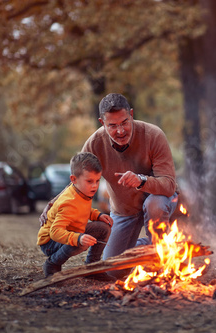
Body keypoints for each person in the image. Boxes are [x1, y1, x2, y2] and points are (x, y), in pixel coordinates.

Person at [40, 93, 178, 279]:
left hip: (157, 200)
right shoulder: (94, 144)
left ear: (131, 114)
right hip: (124, 210)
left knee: (155, 204)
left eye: (124, 122)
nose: (120, 131)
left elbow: (169, 185)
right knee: (114, 269)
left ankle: (162, 253)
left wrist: (141, 180)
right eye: (112, 125)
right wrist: (52, 205)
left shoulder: (153, 135)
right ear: (102, 123)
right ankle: (165, 245)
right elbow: (77, 183)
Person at [37, 152, 114, 280]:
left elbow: (83, 210)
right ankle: (52, 264)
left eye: (97, 180)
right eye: (89, 181)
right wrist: (78, 238)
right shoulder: (68, 202)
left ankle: (92, 267)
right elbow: (55, 232)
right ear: (73, 179)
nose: (95, 186)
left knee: (103, 228)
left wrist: (98, 215)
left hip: (70, 231)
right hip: (50, 243)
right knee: (81, 243)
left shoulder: (82, 191)